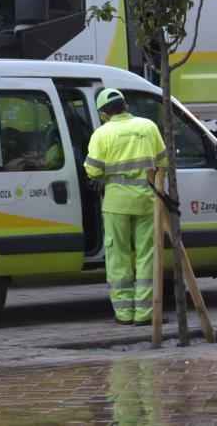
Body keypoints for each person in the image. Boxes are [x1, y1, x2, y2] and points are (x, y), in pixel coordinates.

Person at [83, 88, 167, 327]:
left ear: (103, 114)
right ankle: (145, 313)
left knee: (117, 257)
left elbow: (92, 170)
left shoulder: (102, 134)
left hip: (116, 204)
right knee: (147, 256)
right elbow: (163, 163)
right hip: (146, 201)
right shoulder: (148, 127)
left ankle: (123, 314)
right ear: (126, 106)